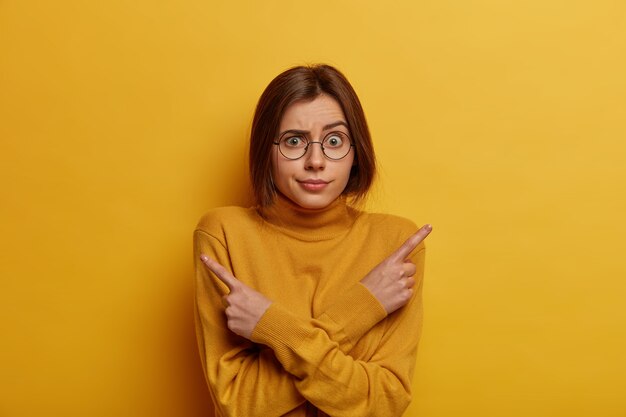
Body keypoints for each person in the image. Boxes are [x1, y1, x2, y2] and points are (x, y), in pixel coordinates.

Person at [193, 64, 432, 417]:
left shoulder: (395, 244)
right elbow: (238, 403)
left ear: (356, 152)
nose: (316, 161)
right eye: (294, 141)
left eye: (334, 141)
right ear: (266, 151)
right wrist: (364, 306)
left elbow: (384, 402)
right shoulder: (224, 233)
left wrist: (270, 325)